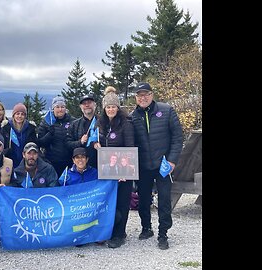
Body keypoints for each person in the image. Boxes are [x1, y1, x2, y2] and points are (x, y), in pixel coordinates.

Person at [129, 82, 183, 250]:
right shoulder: (132, 116)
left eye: (146, 94)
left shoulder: (166, 110)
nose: (143, 98)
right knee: (143, 200)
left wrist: (172, 160)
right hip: (144, 166)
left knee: (164, 200)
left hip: (163, 165)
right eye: (139, 95)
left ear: (152, 95)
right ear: (136, 98)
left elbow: (177, 137)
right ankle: (146, 228)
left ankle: (163, 233)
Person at [93, 86, 135, 249]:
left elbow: (130, 147)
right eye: (108, 107)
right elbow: (95, 140)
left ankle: (119, 235)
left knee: (122, 203)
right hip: (107, 170)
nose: (111, 109)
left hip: (122, 171)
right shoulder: (100, 123)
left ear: (118, 108)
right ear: (104, 108)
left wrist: (126, 171)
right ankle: (111, 230)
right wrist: (94, 143)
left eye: (113, 106)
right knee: (110, 202)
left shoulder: (126, 123)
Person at [37, 96, 75, 177]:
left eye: (62, 107)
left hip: (69, 161)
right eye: (57, 107)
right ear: (53, 108)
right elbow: (40, 143)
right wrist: (49, 134)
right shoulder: (46, 122)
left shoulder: (73, 121)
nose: (60, 109)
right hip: (51, 161)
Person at [66, 94, 99, 169]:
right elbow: (68, 144)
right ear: (81, 107)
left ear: (95, 105)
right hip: (81, 165)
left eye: (89, 102)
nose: (87, 105)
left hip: (100, 164)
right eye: (84, 103)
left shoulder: (103, 122)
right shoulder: (74, 124)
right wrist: (80, 142)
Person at [2, 103, 37, 168]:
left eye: (22, 114)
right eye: (17, 114)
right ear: (13, 115)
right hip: (9, 161)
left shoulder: (30, 128)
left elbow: (35, 145)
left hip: (26, 162)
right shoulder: (6, 128)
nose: (20, 116)